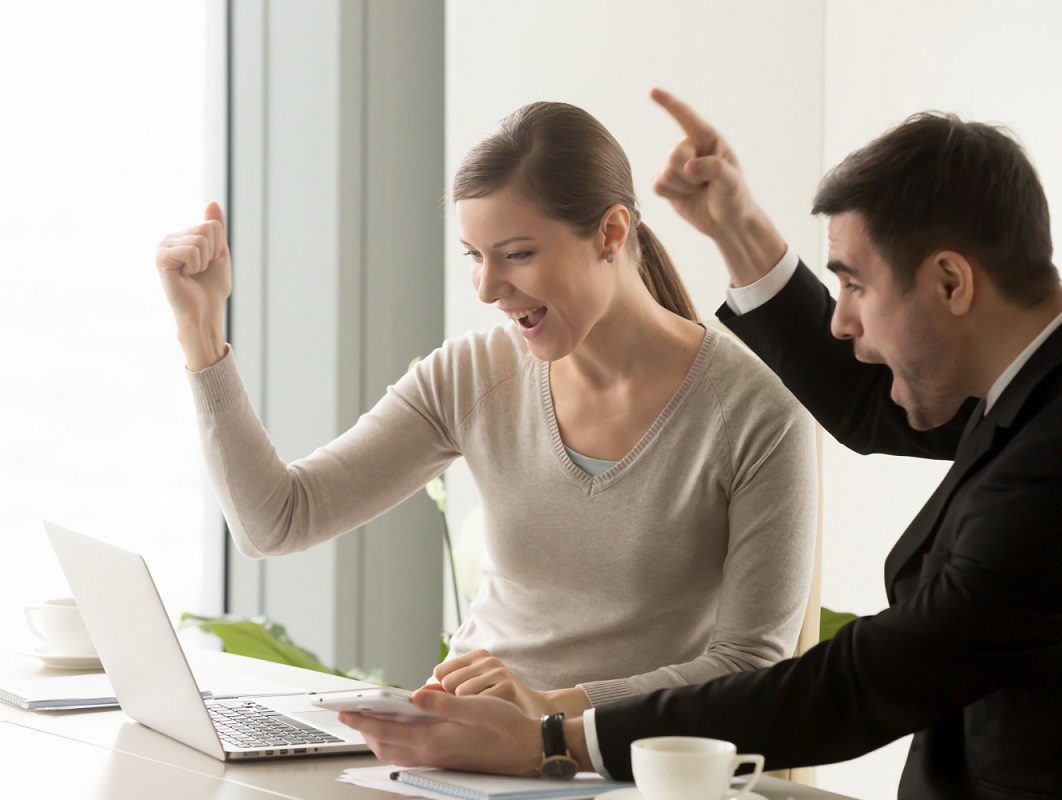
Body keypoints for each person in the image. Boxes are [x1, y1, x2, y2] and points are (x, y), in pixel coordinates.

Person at [338, 90, 1062, 799]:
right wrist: (735, 226)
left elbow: (855, 687)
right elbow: (881, 404)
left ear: (950, 281)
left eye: (854, 283)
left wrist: (550, 738)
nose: (842, 322)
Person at [154, 101, 817, 720]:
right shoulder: (472, 375)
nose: (488, 288)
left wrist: (549, 708)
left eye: (517, 255)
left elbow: (749, 667)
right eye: (474, 257)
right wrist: (201, 334)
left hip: (622, 770)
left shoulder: (755, 413)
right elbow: (277, 521)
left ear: (611, 234)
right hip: (456, 755)